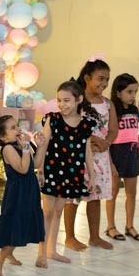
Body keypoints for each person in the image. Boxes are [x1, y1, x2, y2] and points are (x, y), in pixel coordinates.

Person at [35, 81, 96, 264]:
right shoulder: (53, 119)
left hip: (71, 172)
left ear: (79, 99)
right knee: (47, 212)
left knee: (58, 211)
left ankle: (51, 250)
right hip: (52, 170)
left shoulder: (86, 124)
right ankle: (41, 252)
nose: (62, 104)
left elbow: (87, 151)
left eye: (67, 100)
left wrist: (92, 175)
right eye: (59, 100)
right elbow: (44, 145)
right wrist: (40, 170)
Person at [63, 57, 118, 251]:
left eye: (107, 80)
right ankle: (69, 237)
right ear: (87, 78)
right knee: (74, 197)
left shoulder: (107, 104)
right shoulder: (77, 101)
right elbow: (71, 126)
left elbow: (113, 129)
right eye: (100, 78)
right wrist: (94, 140)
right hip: (78, 156)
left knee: (95, 196)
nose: (104, 83)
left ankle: (94, 237)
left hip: (100, 157)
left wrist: (106, 143)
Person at [0, 115, 47, 275]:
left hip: (29, 189)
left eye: (17, 125)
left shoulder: (19, 145)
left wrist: (40, 147)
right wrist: (26, 147)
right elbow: (22, 168)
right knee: (16, 225)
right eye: (13, 128)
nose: (18, 129)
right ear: (3, 137)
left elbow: (35, 164)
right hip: (18, 192)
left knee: (23, 222)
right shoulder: (8, 149)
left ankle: (9, 254)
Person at [105, 73, 139, 242]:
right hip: (116, 154)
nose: (133, 95)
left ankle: (130, 226)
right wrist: (110, 162)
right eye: (129, 92)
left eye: (135, 91)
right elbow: (108, 136)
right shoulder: (112, 111)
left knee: (131, 193)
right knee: (113, 192)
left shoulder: (134, 111)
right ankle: (110, 227)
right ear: (118, 92)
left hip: (131, 154)